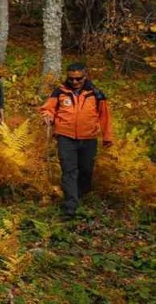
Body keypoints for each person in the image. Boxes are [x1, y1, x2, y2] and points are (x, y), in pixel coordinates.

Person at [41, 62, 114, 218]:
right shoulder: (60, 92)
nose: (74, 82)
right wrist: (48, 116)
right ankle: (70, 206)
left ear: (85, 76)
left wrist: (107, 137)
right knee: (69, 171)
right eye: (71, 79)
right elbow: (48, 108)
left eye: (78, 79)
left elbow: (105, 117)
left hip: (88, 138)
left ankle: (81, 195)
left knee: (86, 170)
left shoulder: (96, 94)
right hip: (65, 137)